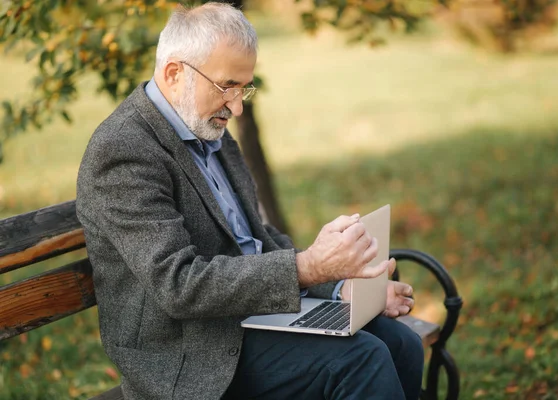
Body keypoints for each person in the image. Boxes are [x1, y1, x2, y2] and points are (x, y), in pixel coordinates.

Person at [76, 3, 424, 399]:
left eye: (245, 88)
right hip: (189, 351)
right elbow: (179, 285)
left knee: (402, 344)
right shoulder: (124, 151)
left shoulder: (209, 130)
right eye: (227, 86)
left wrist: (339, 289)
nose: (238, 106)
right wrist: (308, 268)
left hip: (250, 315)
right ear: (175, 73)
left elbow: (258, 239)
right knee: (361, 359)